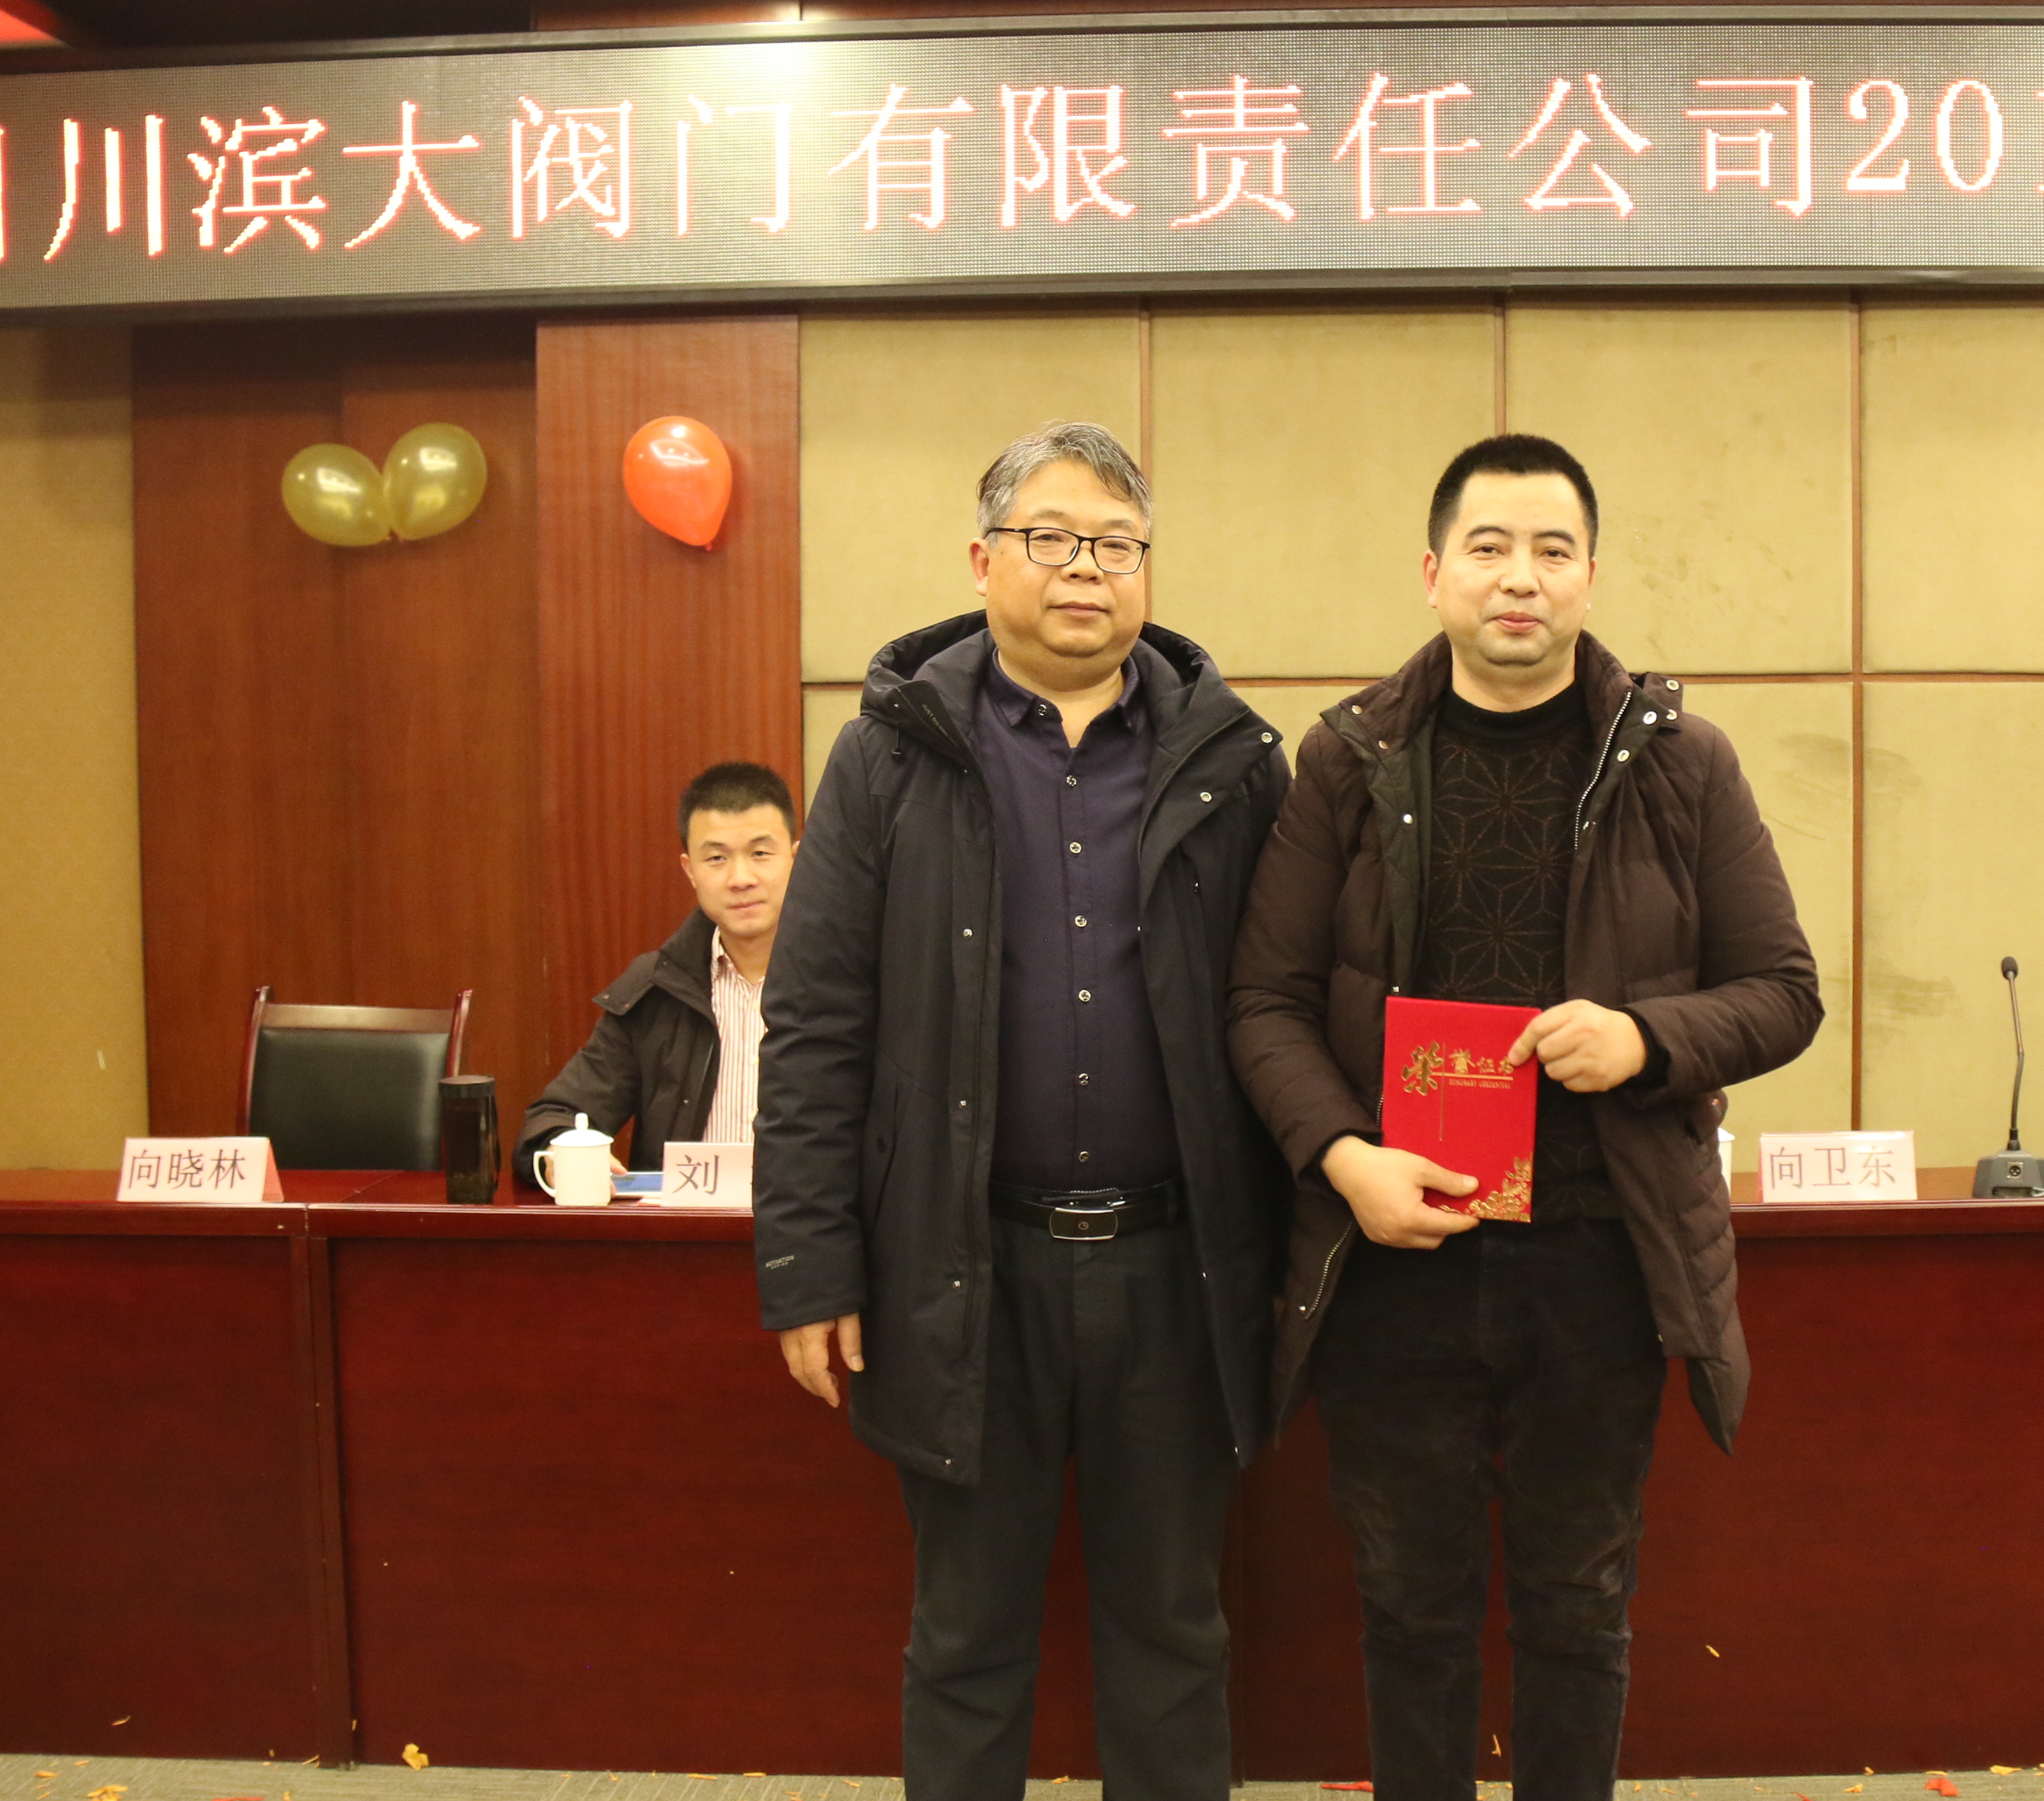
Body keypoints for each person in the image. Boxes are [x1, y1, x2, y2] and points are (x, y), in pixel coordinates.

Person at [1224, 434, 1821, 1801]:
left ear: (1589, 576)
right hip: (1395, 1256)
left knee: (1578, 1609)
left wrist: (1647, 1039)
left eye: (1553, 551)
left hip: (1600, 1260)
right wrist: (1345, 1159)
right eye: (1488, 548)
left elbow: (1784, 992)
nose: (1520, 578)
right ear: (1434, 573)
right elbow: (1262, 1000)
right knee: (1410, 1612)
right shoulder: (1348, 759)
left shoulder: (1683, 764)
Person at [753, 422, 1293, 1801]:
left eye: (1116, 543)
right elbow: (815, 1022)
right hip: (961, 1264)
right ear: (983, 559)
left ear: (1147, 570)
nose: (1085, 569)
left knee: (1174, 1634)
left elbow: (1285, 1006)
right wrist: (809, 1265)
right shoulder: (890, 757)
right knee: (966, 1640)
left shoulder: (1234, 764)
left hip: (1178, 1268)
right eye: (1051, 537)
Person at [516, 761, 795, 1187]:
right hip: (684, 1223)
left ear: (796, 858)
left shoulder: (849, 984)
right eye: (716, 858)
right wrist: (561, 1152)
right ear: (690, 871)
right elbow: (555, 1118)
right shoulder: (658, 989)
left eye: (760, 853)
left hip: (811, 1222)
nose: (741, 878)